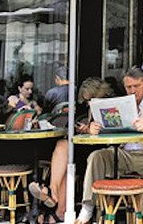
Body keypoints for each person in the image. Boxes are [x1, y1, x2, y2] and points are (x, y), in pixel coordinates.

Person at [75, 67, 143, 224]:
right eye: (129, 87)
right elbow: (111, 129)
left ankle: (139, 214)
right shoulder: (120, 102)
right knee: (96, 157)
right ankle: (87, 209)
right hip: (123, 153)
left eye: (136, 86)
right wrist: (96, 129)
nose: (132, 90)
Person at [29, 77, 113, 223]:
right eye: (86, 101)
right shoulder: (87, 108)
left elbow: (115, 130)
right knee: (64, 150)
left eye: (90, 99)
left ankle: (55, 202)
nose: (88, 103)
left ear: (99, 94)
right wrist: (86, 129)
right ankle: (54, 195)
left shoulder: (111, 104)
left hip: (101, 153)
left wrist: (97, 131)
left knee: (66, 155)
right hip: (85, 149)